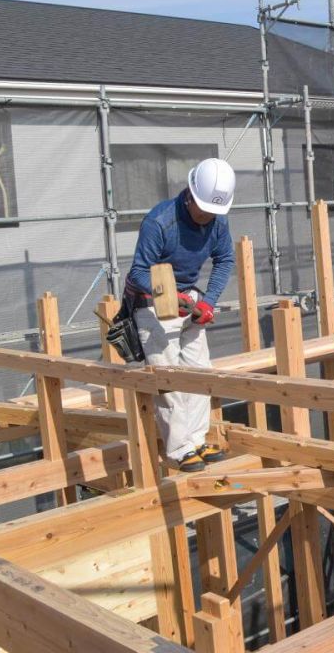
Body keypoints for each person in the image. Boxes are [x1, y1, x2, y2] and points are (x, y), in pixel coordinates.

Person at [124, 158, 236, 473]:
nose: (208, 217)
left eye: (214, 212)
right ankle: (179, 449)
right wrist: (170, 297)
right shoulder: (160, 222)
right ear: (189, 194)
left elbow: (225, 259)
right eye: (204, 210)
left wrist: (209, 302)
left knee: (200, 373)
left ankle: (198, 440)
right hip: (152, 303)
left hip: (188, 296)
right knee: (168, 378)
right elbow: (139, 271)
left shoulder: (217, 220)